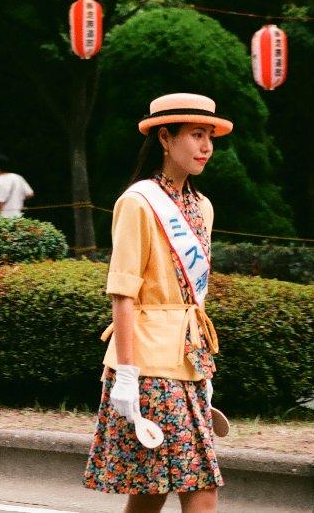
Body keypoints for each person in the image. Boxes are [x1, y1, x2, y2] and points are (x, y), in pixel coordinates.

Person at [83, 93, 232, 513]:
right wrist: (127, 376)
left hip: (188, 359)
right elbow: (123, 292)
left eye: (210, 136)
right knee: (199, 486)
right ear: (165, 138)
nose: (207, 146)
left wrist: (203, 367)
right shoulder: (138, 202)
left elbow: (194, 295)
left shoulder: (203, 206)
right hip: (147, 365)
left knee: (150, 491)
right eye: (197, 135)